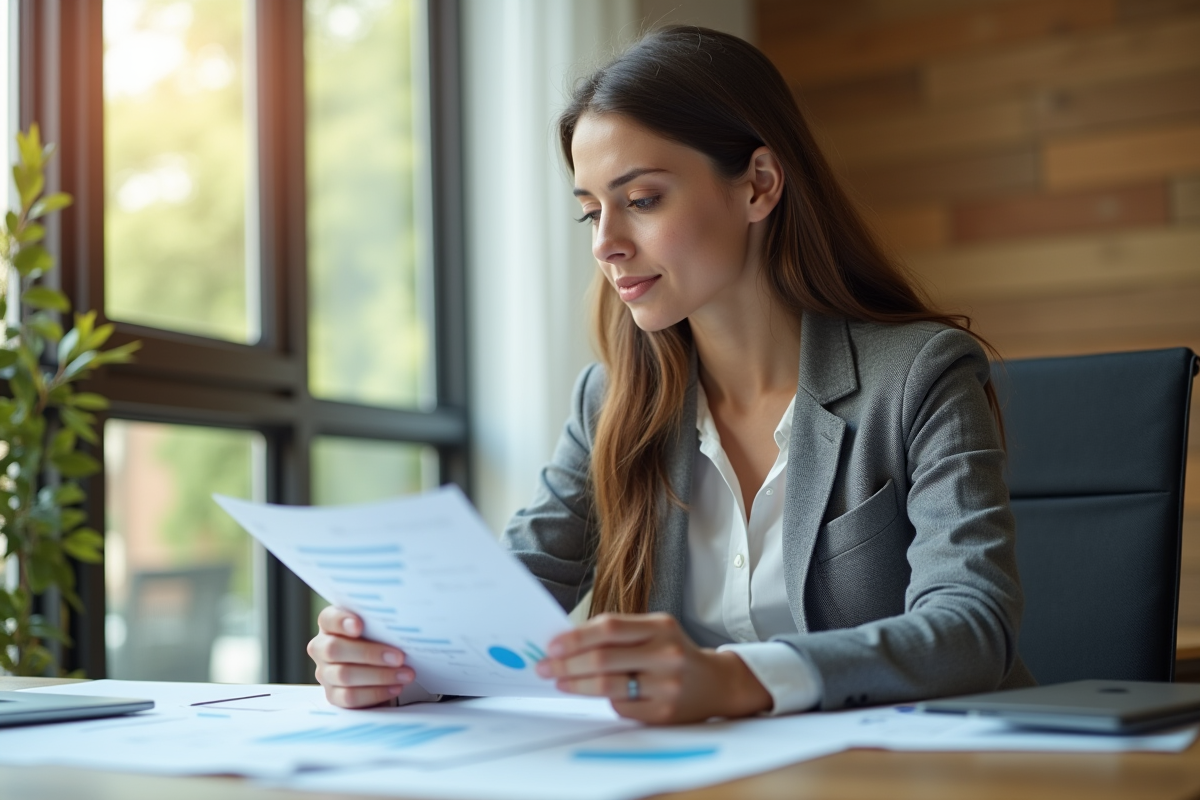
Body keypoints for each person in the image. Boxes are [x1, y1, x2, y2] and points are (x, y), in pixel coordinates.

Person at [306, 26, 1036, 725]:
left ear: (757, 185)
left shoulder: (919, 375)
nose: (607, 244)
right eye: (590, 213)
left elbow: (971, 627)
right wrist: (399, 659)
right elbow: (506, 600)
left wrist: (733, 677)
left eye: (642, 200)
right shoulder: (611, 402)